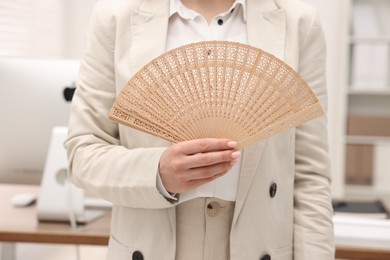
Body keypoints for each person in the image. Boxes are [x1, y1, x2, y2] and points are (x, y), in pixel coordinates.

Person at [64, 0, 335, 259]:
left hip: (258, 243)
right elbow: (82, 153)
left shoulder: (299, 22)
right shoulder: (114, 18)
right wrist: (156, 173)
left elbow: (310, 176)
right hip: (152, 243)